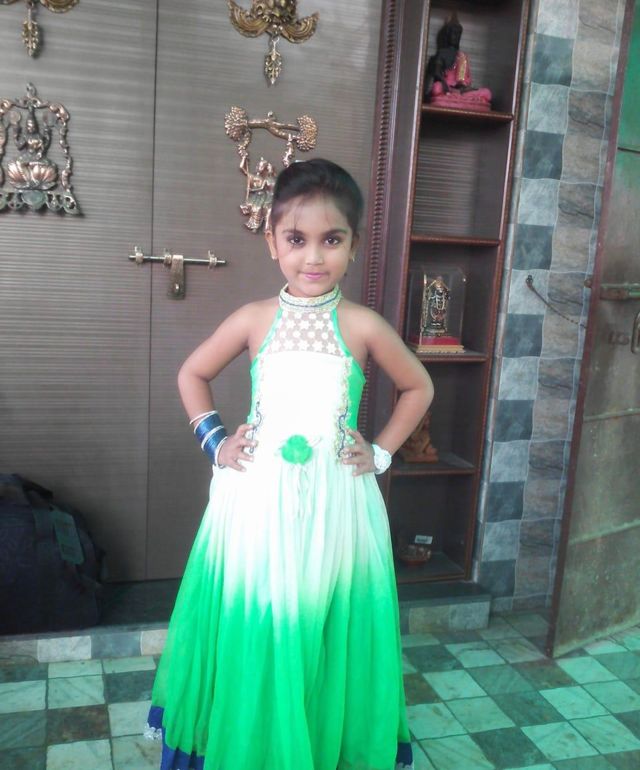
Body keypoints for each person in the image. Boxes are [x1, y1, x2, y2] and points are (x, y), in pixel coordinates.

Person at [144, 158, 434, 770]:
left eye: (332, 240)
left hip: (337, 501)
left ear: (353, 246)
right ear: (272, 241)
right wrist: (215, 441)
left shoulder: (363, 325)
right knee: (260, 615)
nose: (313, 257)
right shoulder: (253, 319)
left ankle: (316, 745)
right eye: (297, 239)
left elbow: (419, 387)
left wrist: (380, 452)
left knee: (321, 617)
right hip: (256, 499)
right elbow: (192, 373)